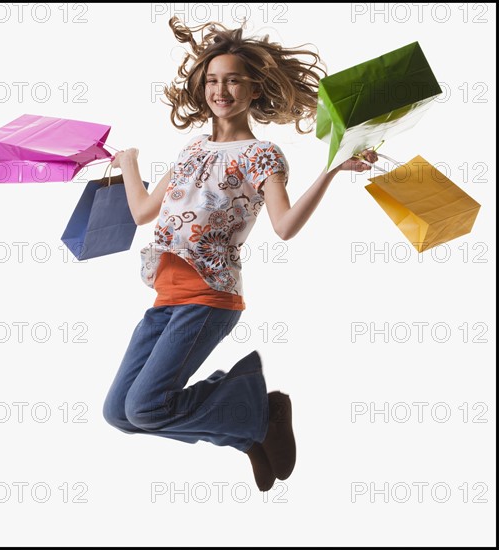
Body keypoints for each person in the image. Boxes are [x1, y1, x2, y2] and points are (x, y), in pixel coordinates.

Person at [103, 16, 378, 491]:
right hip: (165, 298)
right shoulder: (192, 150)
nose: (220, 89)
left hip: (208, 297)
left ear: (254, 89)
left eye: (233, 80)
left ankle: (255, 413)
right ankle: (252, 427)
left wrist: (331, 172)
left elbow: (285, 226)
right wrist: (130, 164)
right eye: (212, 79)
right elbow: (145, 211)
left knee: (145, 408)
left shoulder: (262, 155)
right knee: (120, 414)